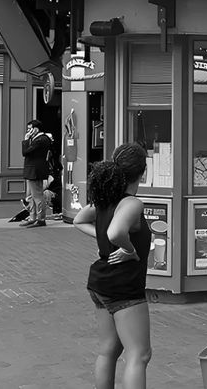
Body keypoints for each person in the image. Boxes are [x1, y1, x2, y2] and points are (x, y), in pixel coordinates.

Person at [72, 143, 151, 389]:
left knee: (108, 350)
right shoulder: (131, 203)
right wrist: (128, 249)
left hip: (100, 283)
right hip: (123, 286)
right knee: (139, 354)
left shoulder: (106, 198)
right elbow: (116, 231)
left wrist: (103, 240)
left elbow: (78, 220)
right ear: (143, 171)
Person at [19, 120, 53, 228]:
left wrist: (25, 140)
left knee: (37, 196)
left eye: (30, 129)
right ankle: (33, 217)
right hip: (33, 170)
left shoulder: (41, 139)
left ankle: (41, 219)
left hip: (35, 171)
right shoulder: (38, 139)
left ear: (36, 129)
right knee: (32, 196)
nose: (28, 131)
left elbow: (25, 152)